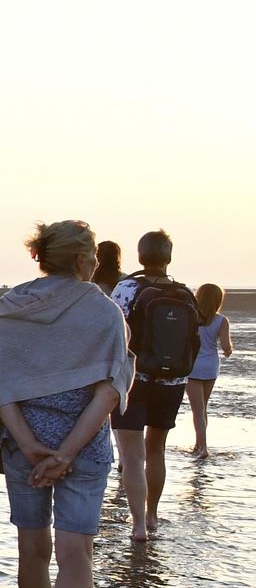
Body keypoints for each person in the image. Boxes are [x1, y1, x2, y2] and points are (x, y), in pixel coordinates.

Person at [0, 220, 130, 588]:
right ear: (81, 259)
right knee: (77, 552)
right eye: (93, 254)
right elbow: (110, 391)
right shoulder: (104, 311)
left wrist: (30, 444)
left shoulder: (13, 305)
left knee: (33, 549)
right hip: (84, 446)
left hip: (24, 446)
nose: (96, 262)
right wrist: (66, 452)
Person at [110, 230, 195, 541]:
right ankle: (153, 515)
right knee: (156, 449)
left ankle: (138, 526)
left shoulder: (127, 288)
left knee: (132, 455)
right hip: (173, 381)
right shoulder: (185, 293)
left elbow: (113, 330)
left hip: (134, 379)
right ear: (168, 257)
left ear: (140, 255)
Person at [187, 283, 232, 458]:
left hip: (192, 365)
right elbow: (226, 347)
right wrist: (229, 350)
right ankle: (199, 444)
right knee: (203, 408)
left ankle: (202, 447)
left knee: (197, 410)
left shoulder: (191, 316)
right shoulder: (221, 320)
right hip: (211, 365)